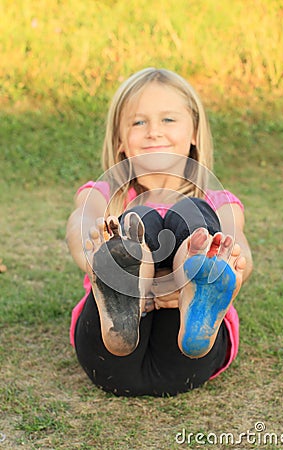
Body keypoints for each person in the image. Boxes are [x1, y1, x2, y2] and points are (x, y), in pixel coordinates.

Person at [66, 68, 253, 397]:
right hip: (110, 349)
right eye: (139, 122)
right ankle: (122, 280)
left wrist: (231, 267)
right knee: (139, 219)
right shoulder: (104, 193)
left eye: (168, 120)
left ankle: (199, 280)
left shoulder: (217, 201)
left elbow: (241, 249)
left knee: (194, 217)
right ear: (120, 140)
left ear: (195, 132)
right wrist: (94, 259)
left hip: (187, 349)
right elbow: (80, 220)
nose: (153, 132)